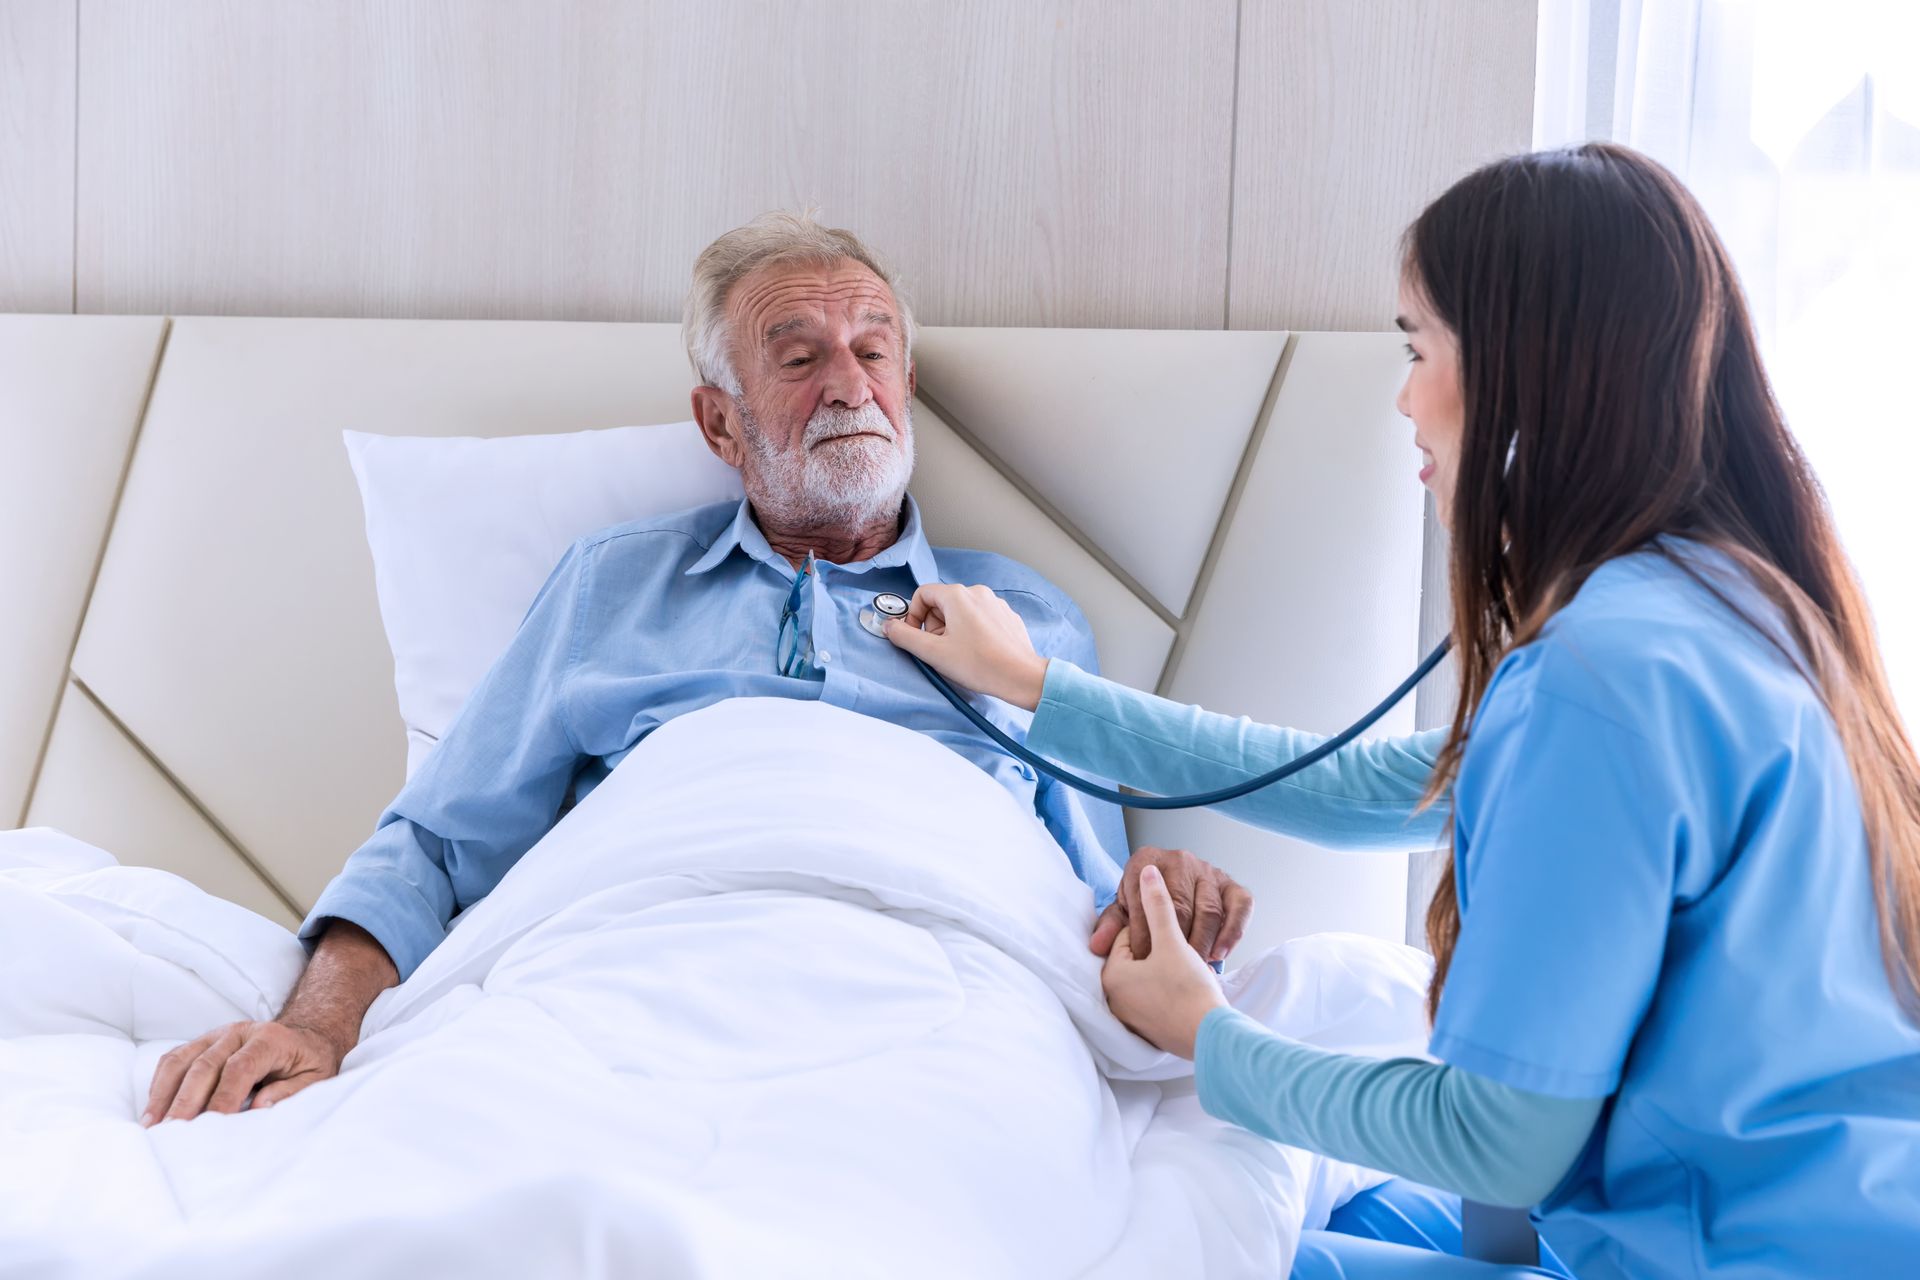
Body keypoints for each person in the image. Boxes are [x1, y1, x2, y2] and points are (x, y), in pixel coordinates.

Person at [885, 144, 1920, 1278]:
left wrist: (1205, 1032)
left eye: (1419, 348)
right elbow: (1355, 786)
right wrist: (1034, 685)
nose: (1402, 397)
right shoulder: (1729, 604)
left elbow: (1497, 1143)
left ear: (1527, 381)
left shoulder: (1601, 681)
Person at [141, 211, 1251, 1126]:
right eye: (798, 357)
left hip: (945, 986)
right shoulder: (613, 588)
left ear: (905, 386)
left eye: (873, 350)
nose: (848, 385)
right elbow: (436, 841)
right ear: (721, 424)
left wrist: (1164, 895)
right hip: (630, 970)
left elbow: (1092, 894)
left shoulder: (1029, 620)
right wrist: (316, 1027)